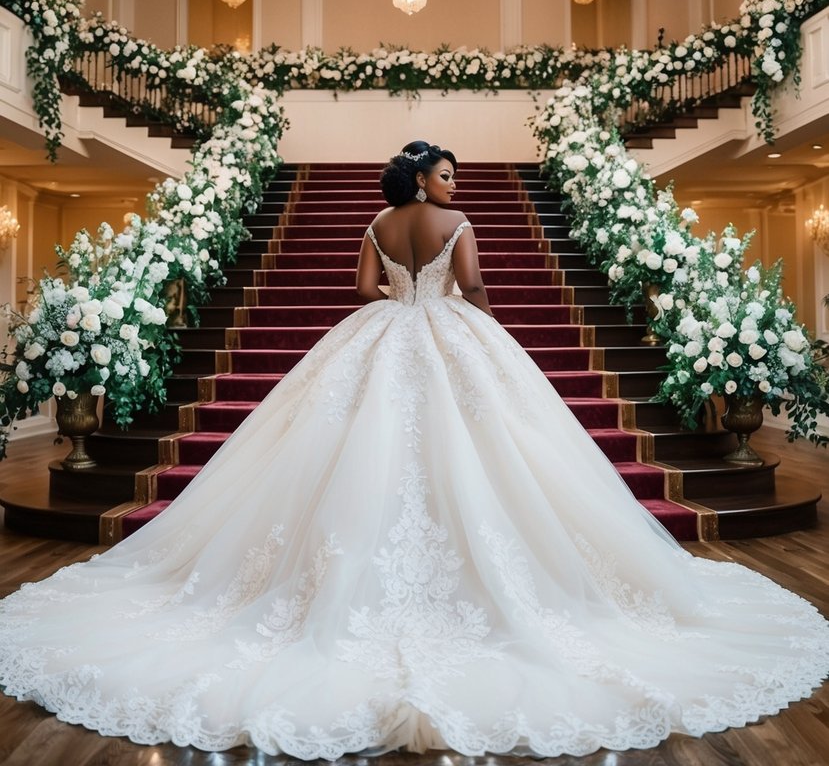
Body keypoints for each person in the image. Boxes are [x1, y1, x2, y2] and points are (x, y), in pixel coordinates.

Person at [0, 140, 827, 759]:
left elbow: (361, 293)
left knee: (348, 449)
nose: (456, 185)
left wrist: (401, 292)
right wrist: (479, 309)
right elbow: (472, 286)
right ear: (426, 178)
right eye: (447, 174)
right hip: (453, 337)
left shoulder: (377, 222)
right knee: (487, 448)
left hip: (380, 335)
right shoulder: (457, 222)